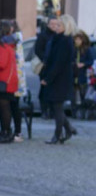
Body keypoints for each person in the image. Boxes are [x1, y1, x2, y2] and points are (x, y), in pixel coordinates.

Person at [39, 15, 77, 144]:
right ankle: (68, 129)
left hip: (60, 79)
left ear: (66, 27)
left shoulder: (65, 41)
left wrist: (48, 79)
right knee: (56, 106)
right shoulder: (57, 39)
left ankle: (57, 134)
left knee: (57, 107)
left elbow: (59, 63)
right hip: (56, 77)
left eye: (59, 25)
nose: (56, 27)